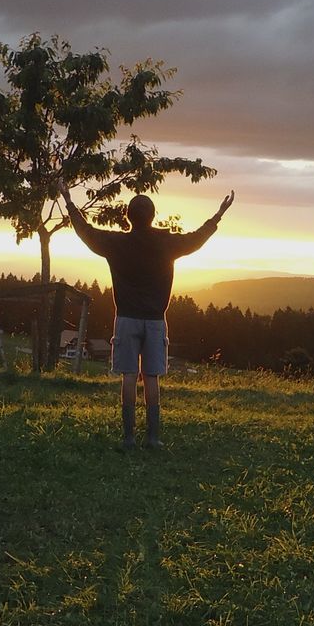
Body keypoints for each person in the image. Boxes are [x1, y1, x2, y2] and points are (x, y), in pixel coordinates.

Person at [59, 182, 235, 449]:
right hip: (155, 321)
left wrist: (69, 201)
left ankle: (128, 438)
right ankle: (153, 437)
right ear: (153, 216)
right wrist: (219, 213)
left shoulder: (116, 243)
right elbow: (197, 238)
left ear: (128, 217)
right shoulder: (167, 243)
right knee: (151, 377)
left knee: (128, 375)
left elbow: (86, 232)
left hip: (126, 319)